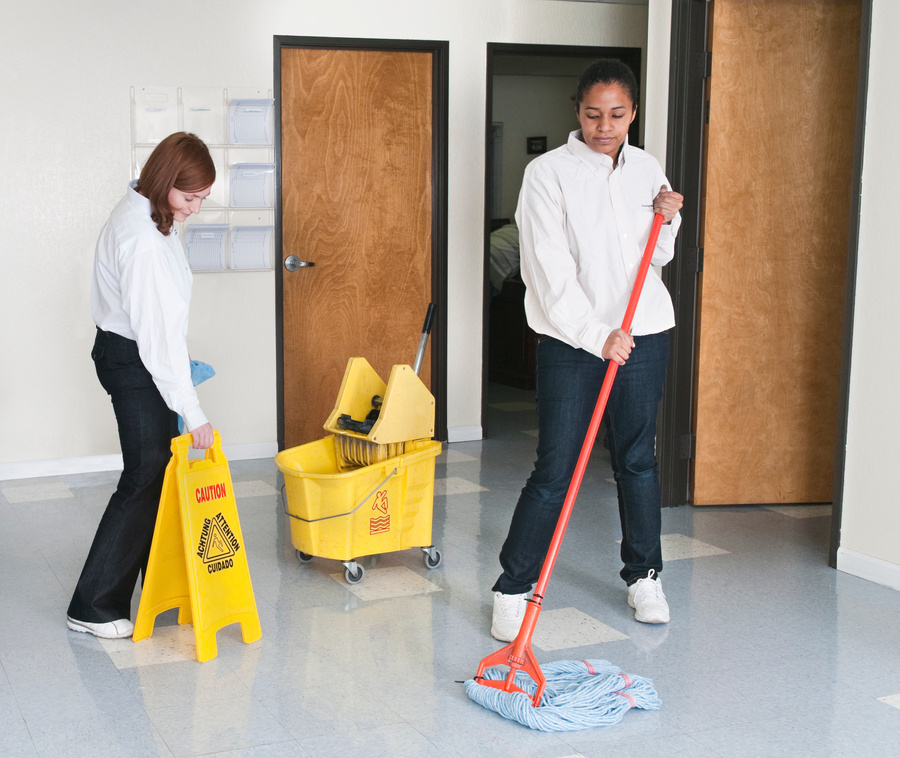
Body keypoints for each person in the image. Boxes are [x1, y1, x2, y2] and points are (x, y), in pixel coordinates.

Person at [490, 59, 684, 642]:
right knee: (557, 464)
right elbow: (547, 270)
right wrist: (597, 333)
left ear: (632, 114)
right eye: (594, 114)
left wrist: (669, 219)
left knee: (637, 459)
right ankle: (513, 587)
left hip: (645, 331)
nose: (606, 126)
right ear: (577, 110)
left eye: (618, 115)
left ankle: (644, 575)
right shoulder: (547, 174)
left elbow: (658, 257)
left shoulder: (646, 167)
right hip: (573, 342)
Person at [66, 132, 216, 639]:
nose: (195, 209)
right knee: (145, 472)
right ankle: (92, 605)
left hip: (133, 352)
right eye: (189, 197)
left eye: (202, 199)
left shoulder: (153, 213)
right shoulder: (143, 238)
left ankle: (154, 585)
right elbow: (155, 336)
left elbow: (162, 326)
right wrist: (193, 412)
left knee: (154, 469)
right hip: (132, 359)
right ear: (164, 180)